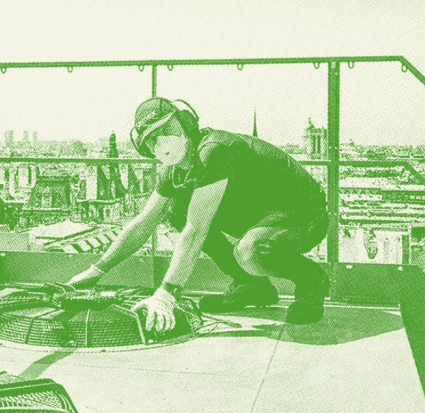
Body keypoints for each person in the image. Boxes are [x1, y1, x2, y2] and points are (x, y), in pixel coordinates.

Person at [68, 97, 329, 333]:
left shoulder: (214, 150)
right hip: (261, 215)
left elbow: (197, 229)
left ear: (186, 123)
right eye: (151, 139)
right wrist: (95, 271)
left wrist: (167, 294)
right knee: (178, 211)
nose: (161, 142)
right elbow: (143, 224)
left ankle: (311, 282)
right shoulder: (174, 171)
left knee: (250, 251)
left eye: (166, 129)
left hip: (304, 214)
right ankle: (251, 286)